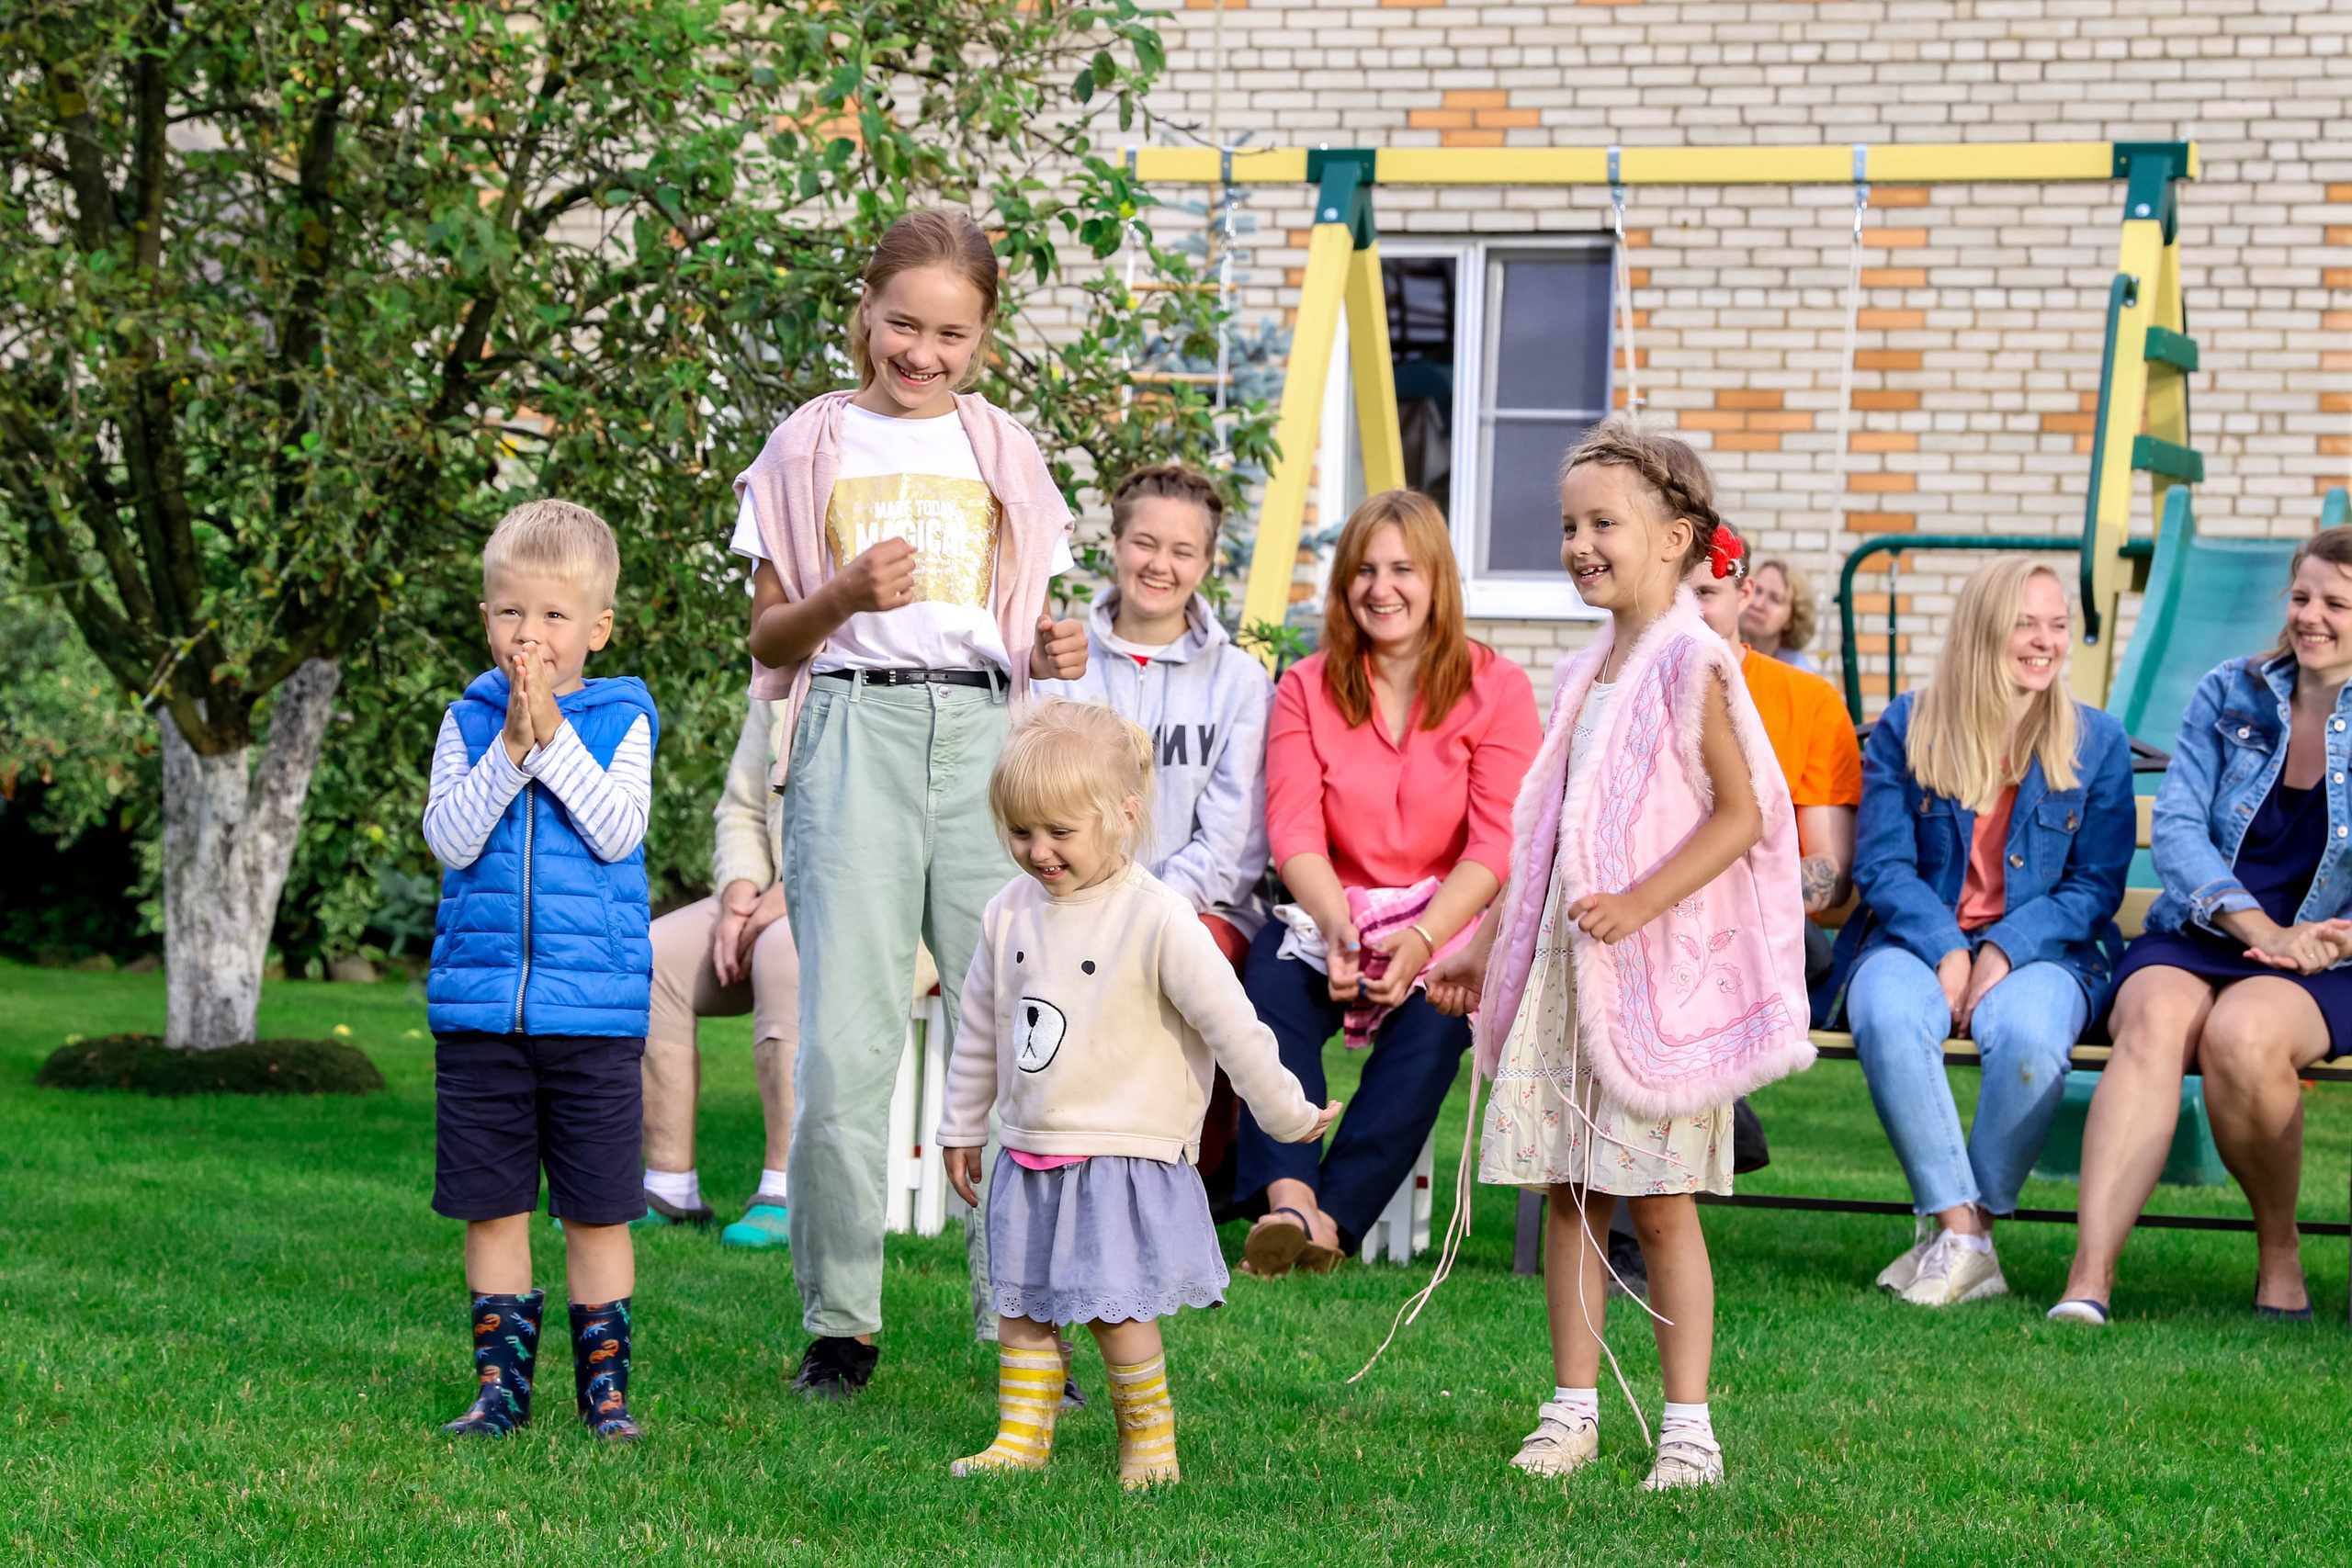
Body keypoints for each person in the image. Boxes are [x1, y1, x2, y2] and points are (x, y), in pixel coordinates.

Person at [734, 209, 1090, 1400]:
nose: (922, 352)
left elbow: (1029, 622)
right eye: (903, 324)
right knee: (844, 1045)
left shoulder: (1006, 453)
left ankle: (1026, 1319)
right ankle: (842, 1324)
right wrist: (840, 591)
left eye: (950, 333)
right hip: (854, 733)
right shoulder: (810, 444)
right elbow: (769, 638)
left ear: (980, 339)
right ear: (867, 315)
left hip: (986, 742)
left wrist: (1056, 644)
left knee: (1024, 1033)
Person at [1430, 422, 1813, 1492]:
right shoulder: (1587, 672)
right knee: (1568, 1193)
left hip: (1649, 979)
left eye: (1605, 524)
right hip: (1569, 971)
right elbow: (1545, 840)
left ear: (1675, 539)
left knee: (1660, 1200)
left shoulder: (1696, 664)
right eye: (1568, 526)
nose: (1580, 544)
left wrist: (1641, 903)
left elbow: (1745, 815)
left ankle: (1688, 1426)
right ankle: (1572, 1409)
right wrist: (1488, 941)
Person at [937, 701, 1340, 1487]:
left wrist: (1289, 1115)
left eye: (1059, 832)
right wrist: (961, 1126)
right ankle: (1021, 1437)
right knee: (1022, 1307)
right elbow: (981, 1029)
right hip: (1031, 1149)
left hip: (1122, 1155)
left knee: (1117, 1312)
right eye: (1021, 832)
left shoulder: (1159, 919)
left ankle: (1149, 1445)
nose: (1038, 851)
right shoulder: (1006, 911)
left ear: (1122, 817)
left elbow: (1235, 1028)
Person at [1235, 489, 1540, 1277]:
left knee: (1439, 1019)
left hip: (1444, 917)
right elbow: (1295, 829)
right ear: (1343, 585)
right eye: (1364, 570)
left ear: (1437, 580)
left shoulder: (1497, 688)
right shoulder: (1306, 685)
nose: (1382, 588)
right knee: (1269, 985)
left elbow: (1497, 839)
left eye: (1403, 568)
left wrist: (1428, 937)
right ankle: (1289, 1202)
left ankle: (1333, 1220)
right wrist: (1338, 929)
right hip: (1331, 907)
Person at [2052, 526, 2352, 1325]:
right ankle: (2089, 1279)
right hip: (2203, 929)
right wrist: (2255, 923)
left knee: (2243, 1036)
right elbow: (2178, 826)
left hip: (2327, 954)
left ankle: (2279, 1252)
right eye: (2301, 596)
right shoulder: (2232, 690)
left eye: (2335, 602)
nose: (2310, 616)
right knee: (2153, 1019)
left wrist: (2325, 937)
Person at [1823, 557, 2133, 1309]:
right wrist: (1948, 946)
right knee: (1889, 1013)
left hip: (2046, 951)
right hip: (1912, 937)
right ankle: (1964, 1233)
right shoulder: (1910, 725)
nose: (2045, 641)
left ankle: (1967, 1235)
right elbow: (1886, 864)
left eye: (2057, 625)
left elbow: (2095, 887)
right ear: (1982, 630)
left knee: (2029, 1034)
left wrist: (2000, 948)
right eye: (2025, 623)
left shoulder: (2096, 741)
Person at [422, 500, 659, 1441]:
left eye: (555, 617)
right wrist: (511, 747)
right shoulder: (468, 720)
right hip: (481, 1010)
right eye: (512, 614)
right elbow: (450, 835)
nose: (531, 636)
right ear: (487, 619)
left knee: (597, 1213)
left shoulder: (622, 720)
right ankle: (499, 1392)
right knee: (492, 1206)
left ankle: (606, 1395)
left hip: (592, 1017)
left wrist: (554, 737)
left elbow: (616, 832)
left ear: (596, 628)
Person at [1033, 463, 1275, 1189]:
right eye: (1145, 542)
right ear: (1116, 543)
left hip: (1200, 907)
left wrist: (1142, 908)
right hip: (1068, 897)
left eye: (1182, 551)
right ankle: (1064, 1162)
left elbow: (1232, 841)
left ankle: (1188, 1175)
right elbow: (1040, 799)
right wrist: (1096, 902)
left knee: (1186, 954)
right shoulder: (1063, 666)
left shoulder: (1239, 682)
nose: (1160, 565)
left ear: (1205, 562)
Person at [639, 697, 799, 1245]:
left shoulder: (895, 665)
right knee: (652, 954)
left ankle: (785, 1191)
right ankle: (668, 1186)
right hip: (769, 898)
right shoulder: (781, 685)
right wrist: (738, 898)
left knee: (783, 948)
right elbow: (743, 810)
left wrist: (788, 899)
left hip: (871, 908)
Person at [1740, 558, 1823, 675]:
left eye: (1775, 599)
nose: (1758, 604)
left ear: (1792, 619)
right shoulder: (1717, 653)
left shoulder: (1798, 675)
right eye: (1757, 591)